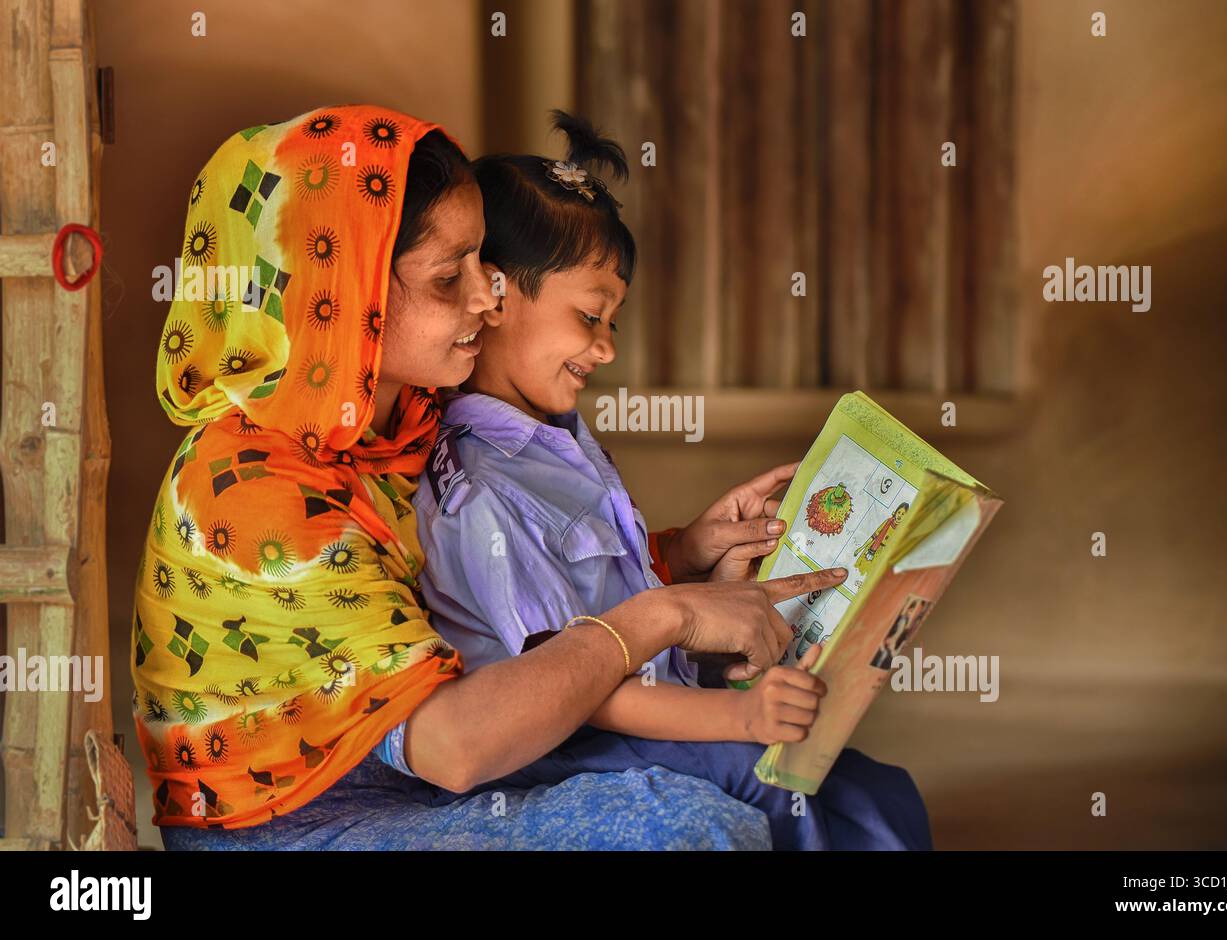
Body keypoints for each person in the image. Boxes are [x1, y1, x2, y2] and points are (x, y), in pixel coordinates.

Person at [136, 104, 842, 849]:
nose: (485, 297)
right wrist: (664, 614)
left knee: (748, 789)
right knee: (681, 827)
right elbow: (453, 746)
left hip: (412, 791)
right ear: (342, 293)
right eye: (449, 278)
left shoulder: (394, 425)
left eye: (484, 264)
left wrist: (677, 556)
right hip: (304, 829)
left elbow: (507, 584)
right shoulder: (254, 494)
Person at [403, 112, 933, 850]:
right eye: (591, 316)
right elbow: (570, 681)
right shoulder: (478, 486)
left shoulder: (557, 442)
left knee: (875, 791)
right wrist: (739, 721)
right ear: (493, 295)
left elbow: (611, 601)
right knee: (795, 800)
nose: (606, 347)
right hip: (568, 749)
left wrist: (687, 558)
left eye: (612, 321)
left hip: (650, 713)